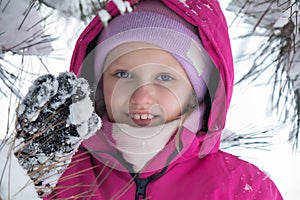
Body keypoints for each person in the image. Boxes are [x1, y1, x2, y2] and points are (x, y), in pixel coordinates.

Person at [45, 0, 283, 199]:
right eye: (123, 74)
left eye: (165, 77)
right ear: (98, 84)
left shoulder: (242, 189)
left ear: (197, 91)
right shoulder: (57, 175)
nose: (141, 97)